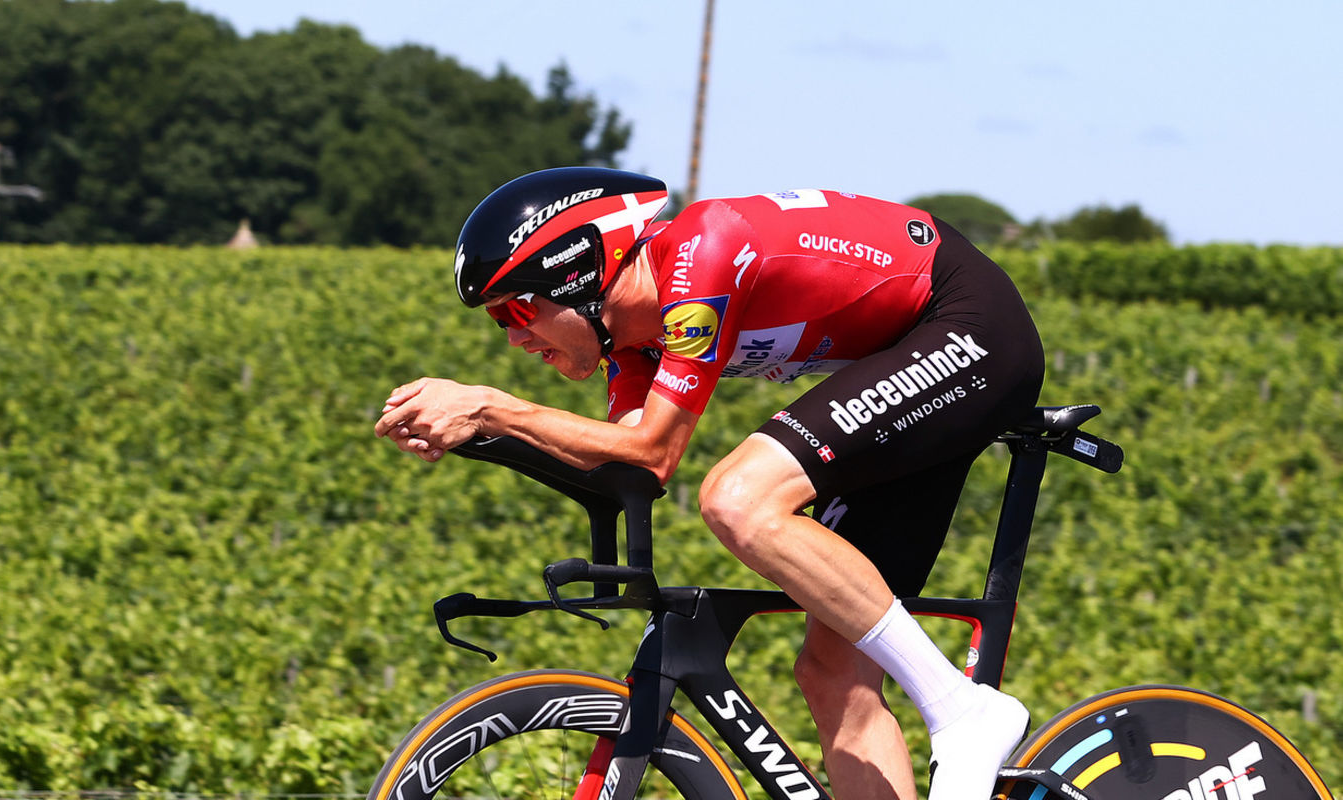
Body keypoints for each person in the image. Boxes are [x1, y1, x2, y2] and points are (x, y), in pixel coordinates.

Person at [375, 167, 1044, 800]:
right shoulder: (635, 345)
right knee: (833, 674)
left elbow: (656, 449)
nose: (513, 339)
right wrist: (481, 438)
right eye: (498, 323)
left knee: (739, 497)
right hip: (909, 367)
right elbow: (624, 461)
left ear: (577, 276)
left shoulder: (703, 251)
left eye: (516, 313)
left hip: (969, 325)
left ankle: (963, 712)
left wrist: (492, 406)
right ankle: (956, 719)